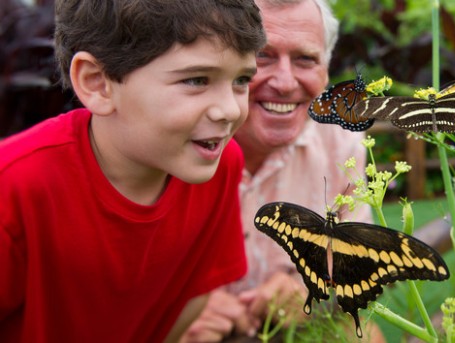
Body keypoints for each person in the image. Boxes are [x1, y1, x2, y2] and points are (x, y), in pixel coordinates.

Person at [0, 0, 266, 342]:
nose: (229, 109)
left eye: (241, 80)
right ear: (97, 83)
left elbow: (194, 294)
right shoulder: (14, 186)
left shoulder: (221, 164)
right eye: (197, 79)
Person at [182, 0, 385, 341]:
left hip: (296, 327)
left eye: (306, 59)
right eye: (262, 55)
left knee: (362, 335)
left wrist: (305, 285)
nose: (286, 82)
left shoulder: (340, 140)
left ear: (326, 68)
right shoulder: (175, 136)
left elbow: (356, 255)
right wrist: (179, 307)